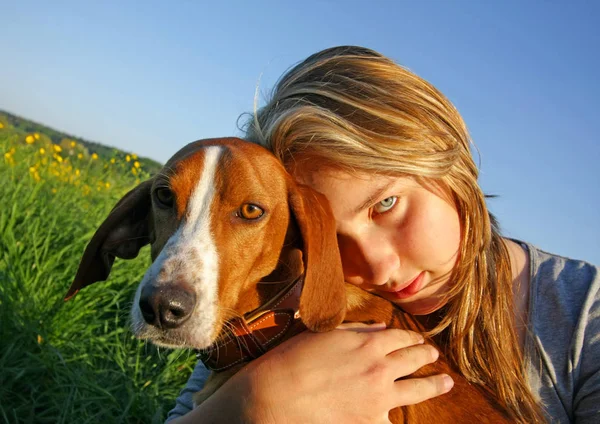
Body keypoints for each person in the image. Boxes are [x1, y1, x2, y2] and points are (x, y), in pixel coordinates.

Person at [166, 46, 599, 423]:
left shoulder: (584, 320)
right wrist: (257, 402)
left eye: (386, 204)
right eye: (329, 236)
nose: (375, 265)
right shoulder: (281, 300)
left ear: (449, 160)